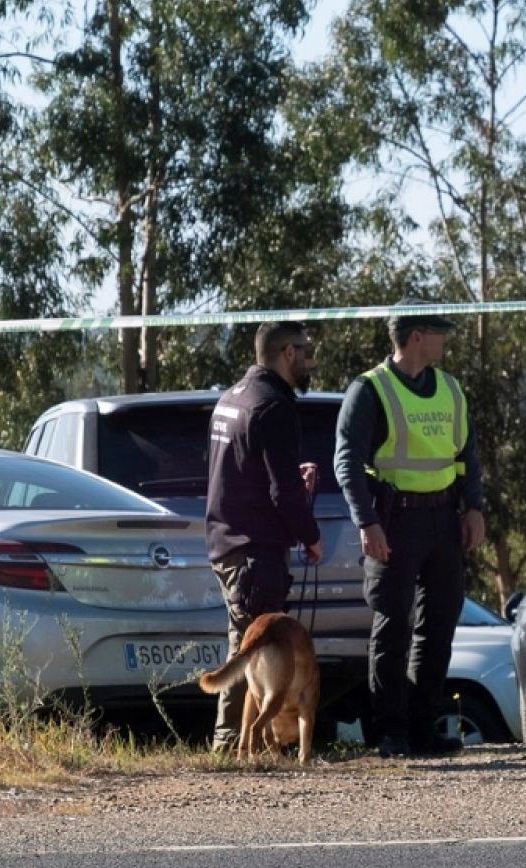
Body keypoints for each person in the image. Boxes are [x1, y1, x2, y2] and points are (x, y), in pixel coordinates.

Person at [334, 302, 488, 759]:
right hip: (394, 521)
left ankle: (424, 729)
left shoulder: (451, 389)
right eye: (440, 331)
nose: (446, 340)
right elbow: (347, 463)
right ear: (418, 335)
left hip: (443, 520)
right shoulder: (369, 390)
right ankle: (391, 732)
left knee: (438, 628)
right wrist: (368, 522)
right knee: (392, 630)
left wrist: (474, 508)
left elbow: (468, 455)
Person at [205, 321, 324, 754]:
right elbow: (281, 492)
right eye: (306, 352)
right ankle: (230, 745)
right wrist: (310, 535)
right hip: (256, 550)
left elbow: (246, 472)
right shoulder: (273, 406)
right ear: (286, 353)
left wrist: (290, 479)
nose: (310, 361)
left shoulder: (231, 399)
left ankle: (242, 744)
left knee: (244, 640)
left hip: (225, 541)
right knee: (253, 647)